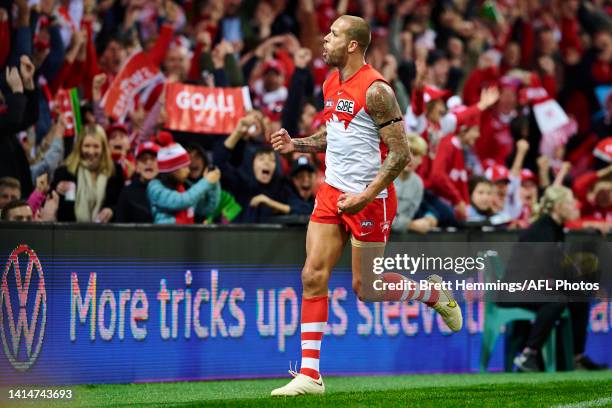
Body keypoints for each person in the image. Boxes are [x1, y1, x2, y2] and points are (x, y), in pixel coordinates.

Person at [269, 15, 462, 396]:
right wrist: (299, 143)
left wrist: (366, 195)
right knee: (311, 275)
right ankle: (310, 375)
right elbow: (337, 133)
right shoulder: (330, 81)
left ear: (353, 45)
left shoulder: (377, 90)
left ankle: (434, 295)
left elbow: (401, 153)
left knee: (367, 288)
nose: (325, 39)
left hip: (369, 200)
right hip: (332, 192)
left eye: (334, 34)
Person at [501, 186, 607, 372]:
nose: (575, 205)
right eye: (570, 201)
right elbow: (548, 270)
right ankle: (528, 355)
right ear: (558, 206)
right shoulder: (543, 230)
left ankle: (575, 357)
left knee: (579, 298)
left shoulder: (556, 229)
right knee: (556, 300)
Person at [51, 124, 125, 222]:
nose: (91, 151)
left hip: (105, 233)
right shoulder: (65, 172)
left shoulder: (115, 171)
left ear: (103, 148)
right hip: (70, 232)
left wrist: (112, 210)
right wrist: (58, 190)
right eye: (87, 146)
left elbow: (121, 203)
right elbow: (53, 202)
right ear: (79, 147)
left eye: (96, 146)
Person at [147, 132, 221, 224]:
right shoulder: (155, 187)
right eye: (184, 167)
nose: (188, 171)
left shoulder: (184, 186)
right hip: (167, 236)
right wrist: (206, 182)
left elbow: (207, 209)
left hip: (187, 236)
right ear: (172, 169)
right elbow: (181, 201)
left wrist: (214, 183)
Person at [392, 133, 438, 234]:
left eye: (416, 154)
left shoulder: (418, 183)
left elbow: (409, 214)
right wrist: (410, 225)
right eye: (407, 153)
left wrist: (429, 218)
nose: (410, 158)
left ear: (421, 159)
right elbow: (379, 217)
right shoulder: (385, 178)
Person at [115, 141, 160, 223]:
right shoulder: (127, 192)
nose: (148, 162)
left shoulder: (169, 188)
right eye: (144, 159)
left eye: (153, 159)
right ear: (137, 166)